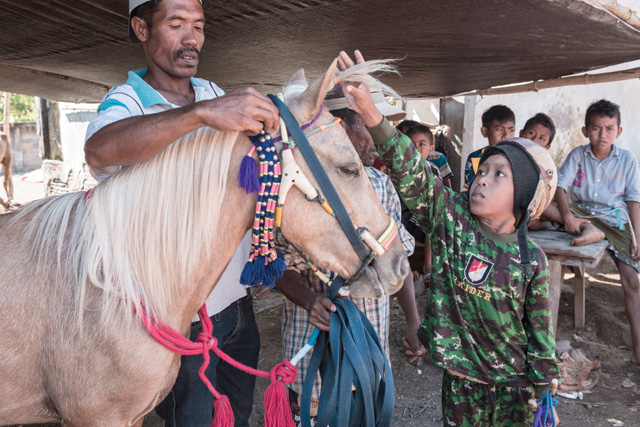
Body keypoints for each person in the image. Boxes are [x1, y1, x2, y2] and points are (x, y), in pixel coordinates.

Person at [338, 50, 560, 426]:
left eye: (499, 174)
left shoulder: (531, 259)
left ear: (523, 196)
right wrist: (373, 114)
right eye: (482, 169)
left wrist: (545, 390)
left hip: (514, 388)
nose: (482, 178)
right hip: (460, 384)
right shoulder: (450, 217)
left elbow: (540, 331)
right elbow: (412, 170)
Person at [83, 0, 276, 424]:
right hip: (177, 317)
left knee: (235, 417)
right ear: (141, 28)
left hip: (236, 304)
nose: (192, 40)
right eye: (176, 25)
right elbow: (99, 151)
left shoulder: (211, 91)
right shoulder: (127, 101)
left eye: (199, 26)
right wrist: (200, 115)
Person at [275, 83, 420, 426]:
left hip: (369, 343)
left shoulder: (381, 185)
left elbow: (397, 261)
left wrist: (413, 321)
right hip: (309, 346)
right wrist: (311, 300)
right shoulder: (294, 189)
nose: (376, 138)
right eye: (368, 125)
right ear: (338, 125)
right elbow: (275, 264)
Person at [556, 99, 640, 365]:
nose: (602, 135)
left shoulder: (627, 159)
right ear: (585, 130)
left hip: (615, 222)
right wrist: (568, 216)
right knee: (544, 203)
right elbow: (559, 186)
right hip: (582, 215)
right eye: (596, 128)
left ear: (619, 131)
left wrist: (638, 235)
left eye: (609, 128)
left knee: (633, 282)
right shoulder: (578, 155)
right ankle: (588, 230)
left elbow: (633, 199)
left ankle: (638, 347)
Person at [463, 105, 516, 190]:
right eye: (499, 129)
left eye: (511, 130)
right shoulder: (475, 158)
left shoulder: (518, 158)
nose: (506, 135)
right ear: (485, 131)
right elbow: (470, 191)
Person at [406, 123, 453, 188]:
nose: (416, 148)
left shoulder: (433, 169)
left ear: (431, 149)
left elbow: (443, 192)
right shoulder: (401, 169)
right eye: (412, 144)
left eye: (421, 144)